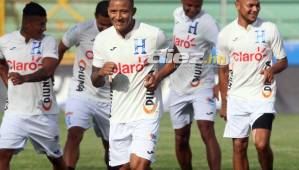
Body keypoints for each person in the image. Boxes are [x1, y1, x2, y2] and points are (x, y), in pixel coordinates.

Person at [91, 0, 177, 169]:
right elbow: (95, 80)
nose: (118, 17)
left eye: (123, 11)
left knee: (139, 166)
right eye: (113, 11)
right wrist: (101, 73)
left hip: (147, 112)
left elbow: (176, 59)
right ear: (108, 11)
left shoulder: (153, 34)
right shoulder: (102, 39)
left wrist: (158, 77)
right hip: (118, 115)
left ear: (133, 11)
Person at [217, 0, 288, 170]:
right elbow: (223, 70)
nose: (255, 9)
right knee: (239, 146)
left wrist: (272, 69)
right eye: (250, 5)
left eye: (257, 5)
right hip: (237, 97)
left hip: (263, 94)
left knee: (261, 144)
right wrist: (225, 104)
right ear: (237, 5)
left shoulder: (269, 28)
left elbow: (283, 61)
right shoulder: (225, 34)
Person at [0, 2, 66, 170]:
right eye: (41, 24)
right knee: (2, 154)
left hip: (43, 113)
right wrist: (10, 85)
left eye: (45, 23)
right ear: (27, 23)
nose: (44, 28)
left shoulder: (48, 41)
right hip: (15, 112)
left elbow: (48, 69)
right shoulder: (5, 41)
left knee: (56, 160)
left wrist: (24, 78)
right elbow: (1, 65)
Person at [57, 1, 112, 169]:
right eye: (101, 25)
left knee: (111, 145)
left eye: (108, 25)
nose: (104, 29)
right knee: (74, 134)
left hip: (110, 98)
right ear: (95, 18)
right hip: (81, 92)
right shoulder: (81, 30)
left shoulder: (122, 34)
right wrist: (49, 73)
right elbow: (60, 48)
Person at [168, 0, 221, 169]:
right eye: (189, 5)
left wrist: (219, 83)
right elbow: (175, 46)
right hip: (178, 86)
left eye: (197, 6)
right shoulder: (177, 14)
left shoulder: (208, 23)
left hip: (202, 84)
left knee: (206, 130)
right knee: (180, 137)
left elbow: (222, 51)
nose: (193, 9)